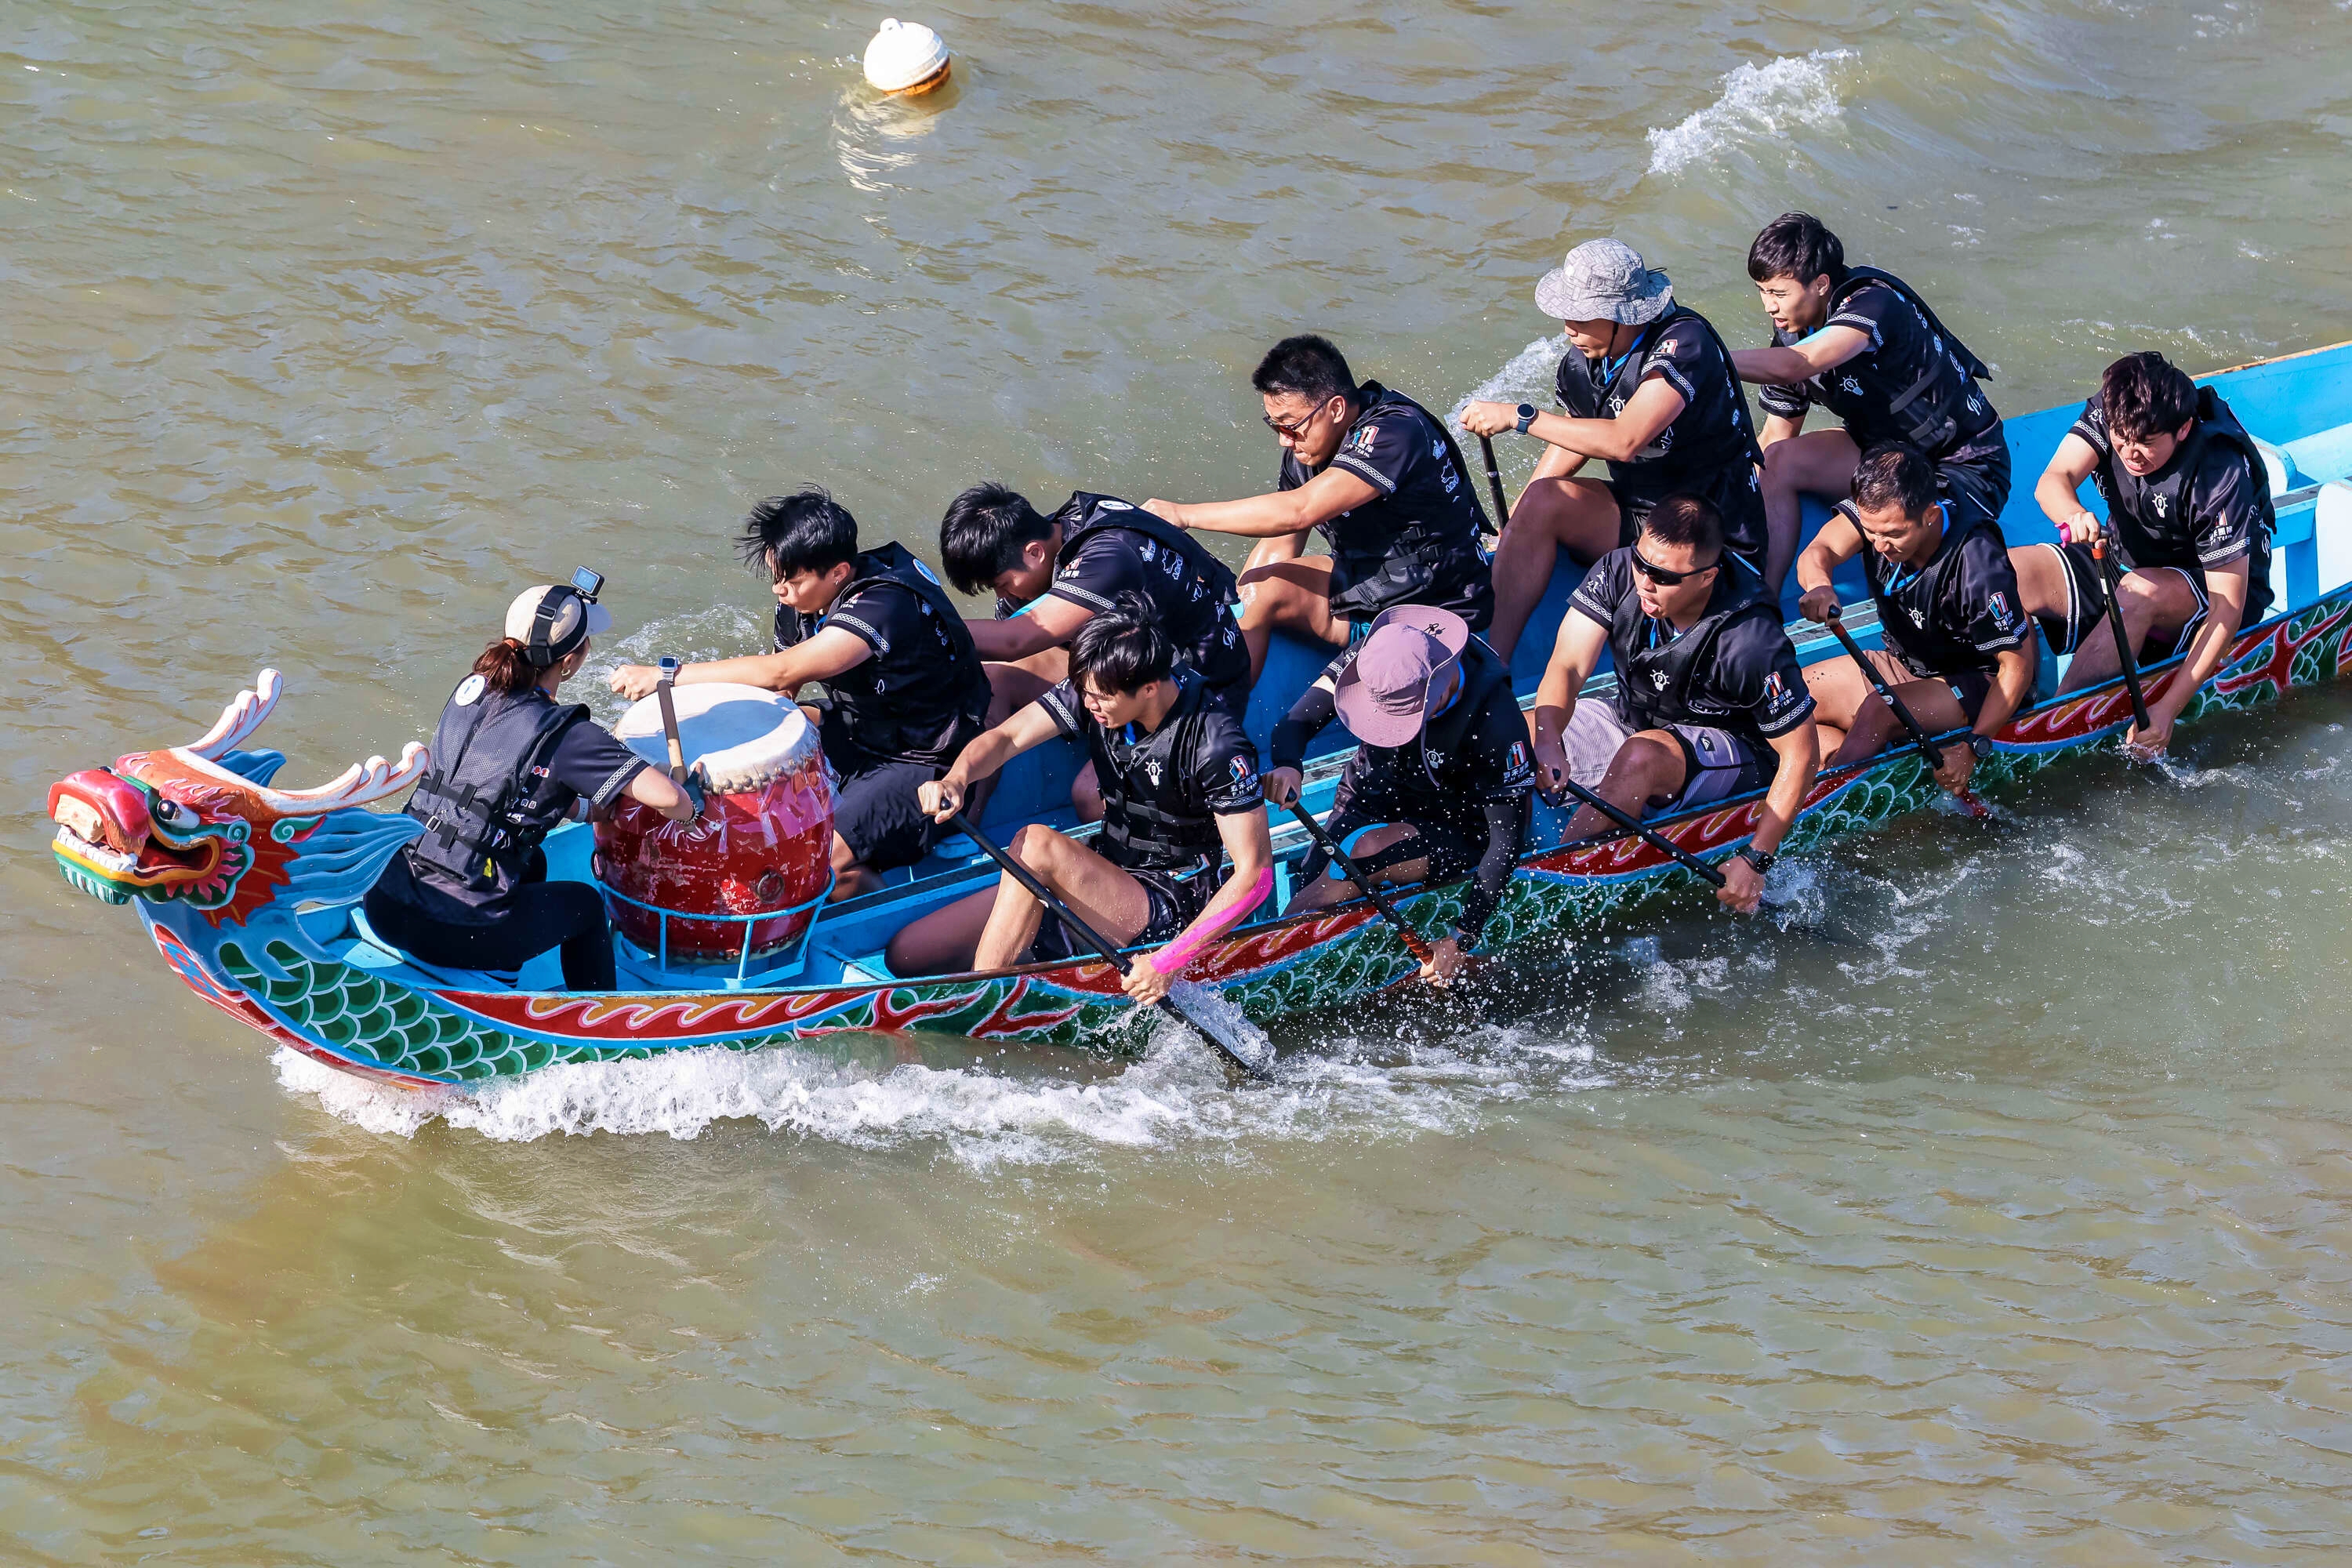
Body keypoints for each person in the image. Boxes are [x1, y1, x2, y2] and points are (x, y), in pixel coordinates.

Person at [886, 596, 1273, 1003]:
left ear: (1149, 688)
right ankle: (1011, 977)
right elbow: (1006, 738)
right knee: (909, 952)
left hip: (1170, 903)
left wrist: (1165, 963)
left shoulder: (1216, 745)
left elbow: (1255, 876)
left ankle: (985, 998)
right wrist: (956, 779)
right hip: (1108, 870)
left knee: (1035, 843)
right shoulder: (1100, 688)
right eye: (1084, 693)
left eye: (1100, 699)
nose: (1089, 706)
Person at [611, 488, 990, 898]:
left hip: (926, 755)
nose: (780, 590)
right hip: (864, 726)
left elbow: (780, 672)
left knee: (815, 862)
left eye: (791, 581)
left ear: (840, 573)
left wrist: (668, 677)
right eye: (776, 578)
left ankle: (864, 888)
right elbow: (784, 691)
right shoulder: (800, 599)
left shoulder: (883, 605)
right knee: (793, 722)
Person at [366, 576, 698, 990]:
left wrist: (581, 808)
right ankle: (598, 1029)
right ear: (572, 661)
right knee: (587, 908)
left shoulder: (472, 691)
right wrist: (692, 809)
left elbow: (495, 784)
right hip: (451, 928)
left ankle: (501, 974)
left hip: (385, 900)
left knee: (533, 861)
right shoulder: (568, 735)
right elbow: (670, 797)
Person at [1461, 238, 1769, 658]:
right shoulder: (1582, 360)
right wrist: (1513, 526)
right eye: (1567, 315)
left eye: (1583, 317)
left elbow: (1624, 441)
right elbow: (1575, 434)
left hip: (1709, 527)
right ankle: (1492, 661)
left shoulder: (1685, 343)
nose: (1570, 329)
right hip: (1642, 510)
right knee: (1540, 500)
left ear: (1625, 317)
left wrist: (1522, 417)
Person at [1141, 334, 1494, 687]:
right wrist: (1235, 610)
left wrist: (1181, 515)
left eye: (1290, 425)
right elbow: (1281, 540)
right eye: (1274, 424)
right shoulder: (1306, 448)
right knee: (1253, 590)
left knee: (1264, 588)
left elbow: (1299, 510)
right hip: (1372, 592)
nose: (1283, 438)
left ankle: (1216, 727)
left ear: (1336, 408)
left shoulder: (1395, 432)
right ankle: (1209, 708)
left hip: (1437, 610)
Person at [1527, 494, 1820, 913]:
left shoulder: (1750, 642)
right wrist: (1548, 739)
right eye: (1642, 563)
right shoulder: (1617, 570)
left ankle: (1553, 891)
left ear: (1707, 578)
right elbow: (1569, 667)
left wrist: (1756, 858)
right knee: (1522, 727)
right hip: (1633, 717)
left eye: (1663, 576)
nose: (1645, 581)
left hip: (1733, 747)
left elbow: (1802, 754)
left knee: (1640, 756)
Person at [2009, 350, 2276, 755]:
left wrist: (2168, 709)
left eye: (2147, 443)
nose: (2131, 453)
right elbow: (2053, 481)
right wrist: (2073, 513)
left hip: (2210, 589)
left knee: (2141, 591)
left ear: (2183, 429)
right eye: (2121, 440)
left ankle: (2050, 732)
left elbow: (2229, 610)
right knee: (2005, 572)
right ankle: (2009, 704)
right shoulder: (2116, 410)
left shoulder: (2218, 474)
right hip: (2123, 559)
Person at [1730, 212, 2008, 593]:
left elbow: (1801, 363)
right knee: (1778, 460)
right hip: (1883, 454)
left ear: (1822, 284)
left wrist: (1709, 359)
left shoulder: (1874, 303)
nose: (1768, 307)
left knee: (1910, 545)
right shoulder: (1791, 334)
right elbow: (1777, 434)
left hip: (1960, 461)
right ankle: (1763, 599)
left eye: (1779, 294)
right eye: (1762, 291)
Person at [939, 482, 1250, 820]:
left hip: (1192, 683)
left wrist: (917, 629)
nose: (1003, 596)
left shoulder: (1107, 554)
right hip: (1116, 664)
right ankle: (965, 818)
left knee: (1090, 794)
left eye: (1002, 585)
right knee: (991, 678)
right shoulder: (1045, 537)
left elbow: (1016, 640)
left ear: (1034, 553)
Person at [1264, 605, 1534, 986]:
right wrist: (1288, 763)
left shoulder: (1497, 721)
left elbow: (1506, 844)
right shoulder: (1378, 655)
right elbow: (1296, 721)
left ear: (1438, 691)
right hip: (1371, 792)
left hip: (1458, 826)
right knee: (1316, 881)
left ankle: (1270, 964)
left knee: (1361, 852)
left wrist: (1461, 938)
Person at [1793, 443, 2036, 795]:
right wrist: (1819, 586)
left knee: (1879, 710)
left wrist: (1973, 747)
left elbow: (2017, 669)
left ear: (1931, 517)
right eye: (1870, 532)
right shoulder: (1880, 515)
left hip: (1982, 680)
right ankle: (1830, 765)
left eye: (1893, 535)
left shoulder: (1977, 567)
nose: (1878, 545)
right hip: (1907, 664)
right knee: (1795, 694)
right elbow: (1820, 551)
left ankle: (1818, 804)